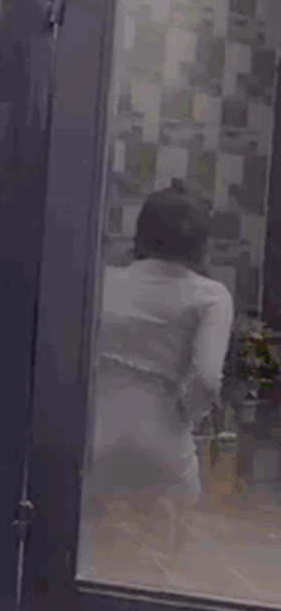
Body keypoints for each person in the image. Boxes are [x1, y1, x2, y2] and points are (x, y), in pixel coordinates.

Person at [84, 178, 234, 549]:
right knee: (168, 557)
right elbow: (207, 380)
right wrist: (183, 415)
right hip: (163, 448)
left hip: (93, 439)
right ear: (201, 242)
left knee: (92, 552)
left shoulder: (103, 281)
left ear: (143, 233)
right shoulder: (211, 297)